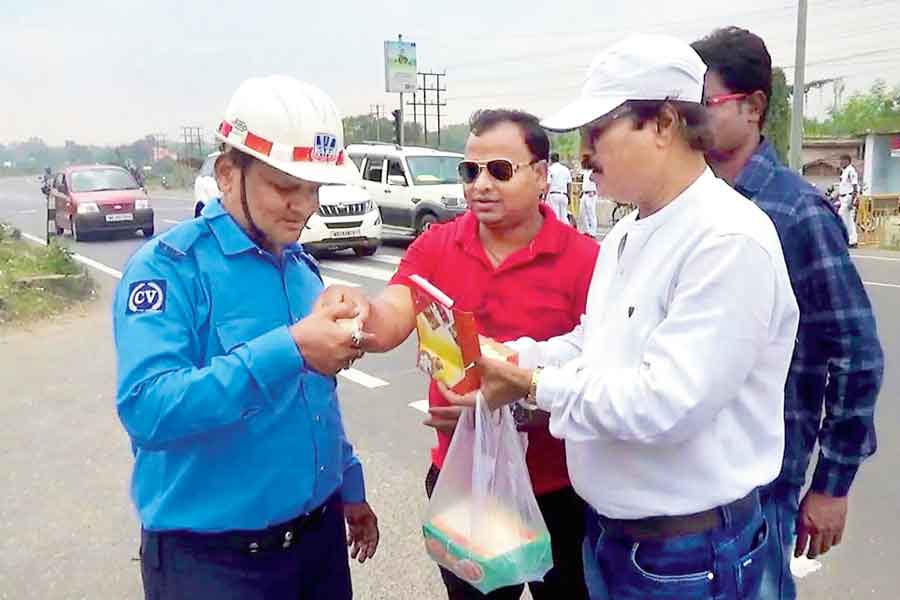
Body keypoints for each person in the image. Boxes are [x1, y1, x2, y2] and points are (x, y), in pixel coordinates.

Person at [462, 34, 801, 600]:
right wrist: (519, 356)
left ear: (665, 124)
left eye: (599, 132)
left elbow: (665, 403)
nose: (586, 154)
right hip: (616, 537)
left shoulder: (727, 240)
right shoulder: (628, 231)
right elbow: (597, 343)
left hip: (688, 557)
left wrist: (532, 385)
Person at [113, 75, 379, 600]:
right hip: (214, 562)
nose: (303, 207)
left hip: (317, 544)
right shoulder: (170, 271)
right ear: (228, 174)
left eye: (314, 189)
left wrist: (349, 485)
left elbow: (314, 397)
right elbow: (148, 410)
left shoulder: (301, 267)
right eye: (284, 186)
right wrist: (291, 348)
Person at [318, 109, 599, 599]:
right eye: (470, 171)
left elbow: (598, 368)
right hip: (467, 485)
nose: (480, 185)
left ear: (540, 175)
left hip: (560, 491)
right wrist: (359, 313)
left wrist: (518, 406)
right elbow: (393, 313)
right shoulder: (437, 247)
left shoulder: (584, 259)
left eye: (499, 170)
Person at [692, 27, 884, 599]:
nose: (685, 121)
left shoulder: (795, 212)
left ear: (752, 107)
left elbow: (856, 353)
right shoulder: (686, 204)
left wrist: (832, 484)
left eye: (703, 104)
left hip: (762, 487)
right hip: (687, 485)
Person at [838, 154, 861, 246]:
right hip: (843, 197)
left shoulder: (851, 171)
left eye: (842, 160)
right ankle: (851, 240)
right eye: (840, 160)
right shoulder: (844, 172)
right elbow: (842, 187)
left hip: (849, 197)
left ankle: (852, 240)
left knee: (843, 218)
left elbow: (855, 187)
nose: (841, 162)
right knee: (847, 220)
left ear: (848, 161)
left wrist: (852, 202)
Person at [546, 152, 572, 223]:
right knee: (564, 217)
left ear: (551, 160)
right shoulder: (565, 169)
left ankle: (557, 233)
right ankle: (567, 232)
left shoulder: (550, 169)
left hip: (553, 195)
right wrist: (569, 196)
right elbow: (569, 183)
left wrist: (545, 196)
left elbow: (548, 183)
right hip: (564, 195)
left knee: (556, 216)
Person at [578, 170, 599, 236]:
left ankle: (593, 232)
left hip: (591, 193)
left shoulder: (594, 169)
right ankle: (587, 230)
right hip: (585, 193)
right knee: (583, 213)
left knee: (591, 213)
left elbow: (597, 180)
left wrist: (595, 190)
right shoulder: (585, 171)